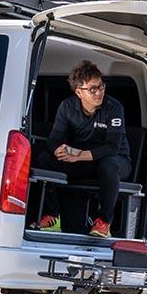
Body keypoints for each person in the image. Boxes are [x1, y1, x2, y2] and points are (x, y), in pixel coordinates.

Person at [36, 60, 131, 238]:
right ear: (79, 92)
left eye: (101, 86)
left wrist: (78, 155)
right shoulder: (67, 107)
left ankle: (103, 221)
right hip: (83, 161)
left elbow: (112, 147)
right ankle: (51, 215)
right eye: (92, 89)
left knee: (108, 165)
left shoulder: (114, 108)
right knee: (43, 159)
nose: (99, 92)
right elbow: (53, 140)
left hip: (117, 161)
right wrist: (58, 149)